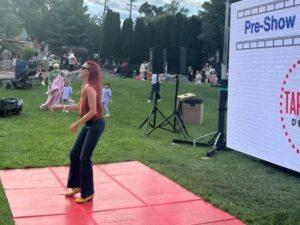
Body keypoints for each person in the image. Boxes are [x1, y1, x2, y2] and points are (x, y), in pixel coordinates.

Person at [51, 61, 105, 203]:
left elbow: (93, 111)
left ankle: (88, 192)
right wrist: (62, 107)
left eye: (83, 68)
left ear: (89, 72)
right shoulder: (85, 86)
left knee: (84, 158)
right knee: (74, 153)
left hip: (96, 125)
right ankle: (77, 186)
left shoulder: (91, 88)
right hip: (89, 124)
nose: (80, 69)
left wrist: (76, 123)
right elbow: (81, 106)